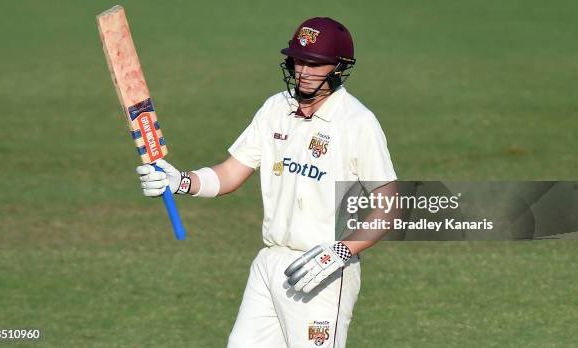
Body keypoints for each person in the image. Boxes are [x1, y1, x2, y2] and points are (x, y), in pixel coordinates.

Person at [136, 17, 398, 348]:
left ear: (338, 68)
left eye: (314, 63)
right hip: (270, 263)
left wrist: (341, 251)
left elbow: (390, 206)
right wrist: (181, 181)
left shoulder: (357, 123)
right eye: (298, 60)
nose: (303, 70)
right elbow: (231, 173)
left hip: (321, 271)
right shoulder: (277, 107)